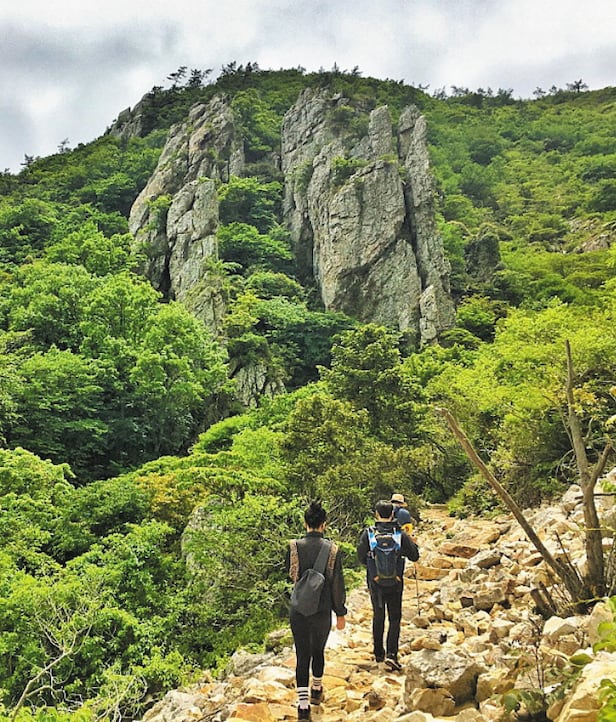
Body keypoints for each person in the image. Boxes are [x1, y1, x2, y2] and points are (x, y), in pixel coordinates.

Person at [285, 501, 347, 721]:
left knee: (302, 655)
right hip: (322, 609)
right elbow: (337, 584)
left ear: (305, 523)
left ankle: (303, 708)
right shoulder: (332, 550)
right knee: (318, 651)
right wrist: (340, 613)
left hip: (299, 609)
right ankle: (317, 690)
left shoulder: (293, 547)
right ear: (324, 524)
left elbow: (291, 575)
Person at [357, 500, 419, 671]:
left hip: (375, 582)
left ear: (376, 514)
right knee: (394, 617)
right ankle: (392, 654)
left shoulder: (368, 534)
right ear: (393, 514)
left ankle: (379, 654)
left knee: (378, 615)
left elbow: (361, 558)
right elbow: (414, 556)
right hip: (395, 582)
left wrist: (373, 566)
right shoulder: (400, 534)